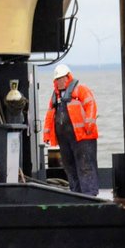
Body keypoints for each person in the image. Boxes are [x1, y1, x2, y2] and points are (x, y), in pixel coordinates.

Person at [43, 63, 99, 196]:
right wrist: (47, 134)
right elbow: (50, 116)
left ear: (68, 77)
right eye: (57, 79)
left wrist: (89, 124)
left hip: (83, 137)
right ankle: (76, 194)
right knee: (69, 166)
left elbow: (91, 104)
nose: (60, 81)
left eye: (62, 78)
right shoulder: (55, 97)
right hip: (65, 139)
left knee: (85, 165)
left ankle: (90, 194)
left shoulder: (81, 90)